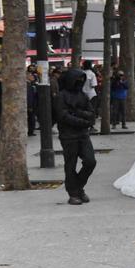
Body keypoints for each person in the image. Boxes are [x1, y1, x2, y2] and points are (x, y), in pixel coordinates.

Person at [53, 68, 98, 205]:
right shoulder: (61, 96)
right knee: (70, 165)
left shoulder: (83, 95)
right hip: (68, 136)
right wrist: (83, 120)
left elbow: (91, 113)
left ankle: (78, 186)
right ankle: (73, 192)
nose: (79, 83)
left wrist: (78, 113)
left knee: (91, 161)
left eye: (81, 80)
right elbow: (63, 116)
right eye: (77, 80)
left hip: (83, 134)